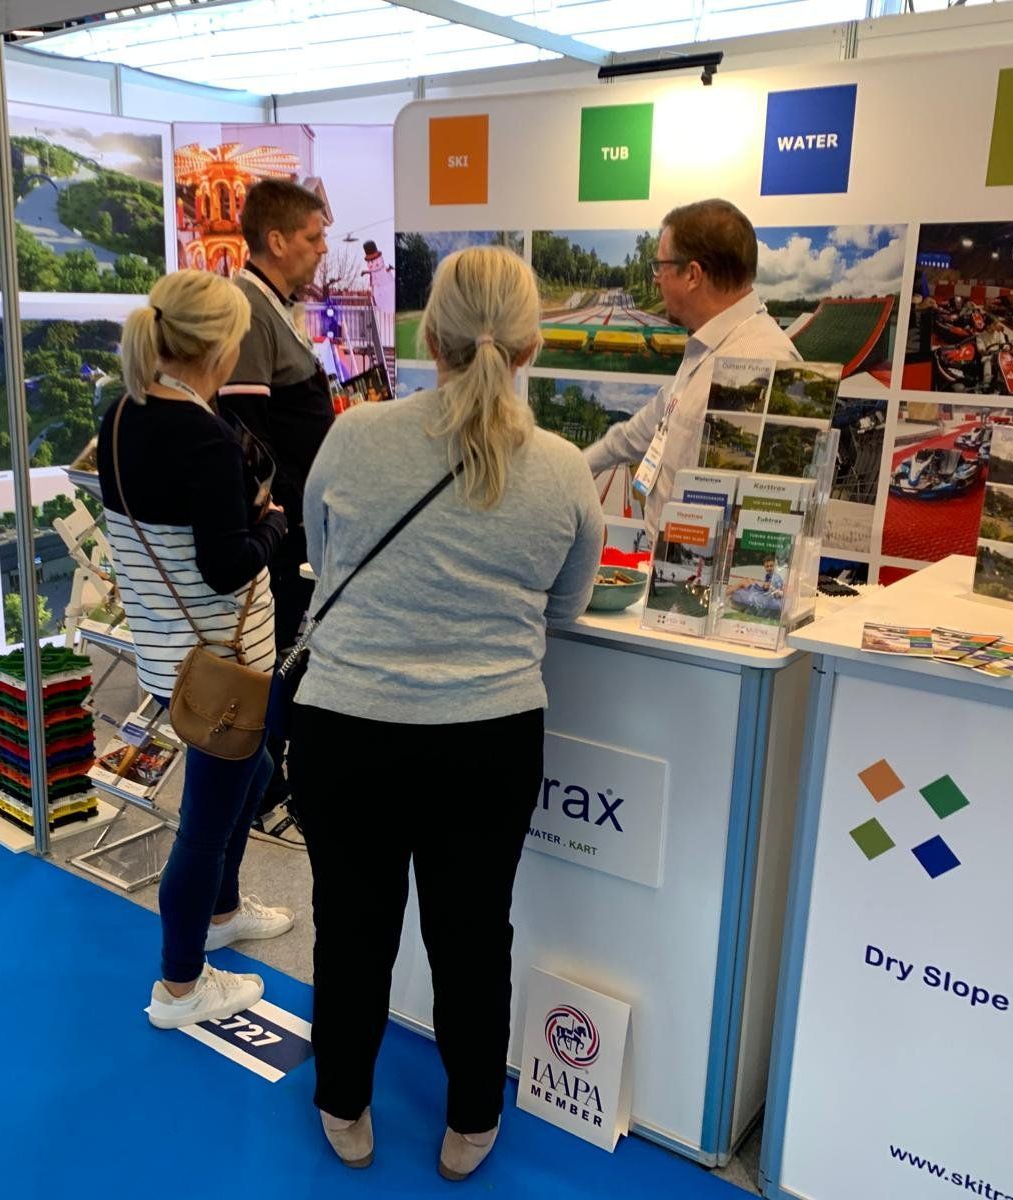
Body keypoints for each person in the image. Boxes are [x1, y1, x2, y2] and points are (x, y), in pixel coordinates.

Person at [291, 245, 603, 1179]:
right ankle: (472, 1117)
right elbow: (566, 604)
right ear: (531, 346)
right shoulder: (561, 469)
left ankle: (343, 1100)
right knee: (472, 936)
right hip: (489, 738)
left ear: (431, 337)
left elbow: (322, 555)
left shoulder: (356, 436)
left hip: (346, 726)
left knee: (351, 926)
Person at [95, 270, 296, 1030]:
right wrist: (273, 526)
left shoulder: (122, 413)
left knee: (255, 773)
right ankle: (180, 985)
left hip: (170, 652)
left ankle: (222, 912)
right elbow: (226, 565)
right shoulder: (205, 439)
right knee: (206, 822)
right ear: (219, 346)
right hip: (223, 661)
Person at [216, 178, 330, 849]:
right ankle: (264, 789)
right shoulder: (249, 309)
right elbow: (246, 432)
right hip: (283, 535)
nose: (322, 250)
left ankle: (274, 782)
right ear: (278, 240)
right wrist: (287, 515)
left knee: (294, 655)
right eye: (313, 238)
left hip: (299, 525)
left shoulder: (275, 306)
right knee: (281, 657)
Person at [582, 199, 798, 543]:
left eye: (660, 266)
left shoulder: (760, 362)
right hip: (671, 563)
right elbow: (644, 429)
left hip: (696, 572)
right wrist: (575, 467)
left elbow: (754, 524)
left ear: (693, 275)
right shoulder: (707, 347)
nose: (656, 280)